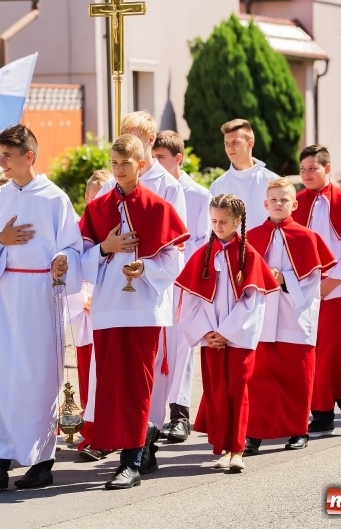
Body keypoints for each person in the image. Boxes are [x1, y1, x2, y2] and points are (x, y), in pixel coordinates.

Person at [0, 124, 83, 491]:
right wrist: (0, 239)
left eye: (7, 156)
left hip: (37, 297)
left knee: (34, 378)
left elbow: (73, 249)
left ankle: (41, 462)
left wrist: (62, 261)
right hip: (1, 298)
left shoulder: (55, 199)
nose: (1, 163)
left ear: (29, 156)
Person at [80, 134, 188, 489]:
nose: (118, 169)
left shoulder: (158, 207)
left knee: (137, 383)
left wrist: (147, 270)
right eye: (113, 163)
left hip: (143, 307)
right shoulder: (97, 208)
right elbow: (83, 259)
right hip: (108, 306)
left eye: (125, 164)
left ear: (141, 165)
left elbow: (174, 259)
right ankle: (147, 431)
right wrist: (105, 247)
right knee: (111, 384)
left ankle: (130, 463)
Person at [176, 194, 278, 472]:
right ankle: (222, 447)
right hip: (211, 339)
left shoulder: (249, 255)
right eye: (214, 221)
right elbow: (190, 301)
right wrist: (207, 333)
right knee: (217, 391)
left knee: (237, 390)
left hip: (238, 339)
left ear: (237, 221)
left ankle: (237, 449)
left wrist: (227, 332)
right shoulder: (202, 255)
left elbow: (253, 302)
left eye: (223, 222)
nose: (218, 226)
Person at [245, 178, 335, 453]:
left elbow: (311, 285)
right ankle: (255, 433)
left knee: (297, 377)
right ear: (265, 203)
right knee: (259, 378)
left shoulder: (308, 238)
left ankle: (298, 429)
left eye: (284, 199)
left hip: (293, 318)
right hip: (262, 318)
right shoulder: (252, 237)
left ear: (294, 204)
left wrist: (283, 278)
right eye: (273, 199)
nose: (278, 204)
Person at [292, 144, 341, 437]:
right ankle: (322, 413)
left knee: (339, 344)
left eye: (313, 168)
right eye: (302, 169)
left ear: (328, 168)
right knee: (313, 349)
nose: (307, 174)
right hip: (308, 288)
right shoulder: (296, 202)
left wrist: (334, 280)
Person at [151, 130, 211, 442]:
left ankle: (180, 413)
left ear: (178, 159)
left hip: (184, 283)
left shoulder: (199, 195)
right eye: (153, 157)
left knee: (181, 348)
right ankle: (152, 416)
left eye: (161, 158)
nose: (155, 164)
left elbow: (204, 244)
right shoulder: (152, 191)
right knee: (155, 350)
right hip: (153, 279)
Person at [71, 170, 111, 461]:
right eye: (93, 193)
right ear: (86, 197)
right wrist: (82, 299)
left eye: (102, 192)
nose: (96, 198)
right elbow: (73, 263)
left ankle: (107, 427)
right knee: (86, 369)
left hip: (109, 307)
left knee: (108, 372)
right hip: (83, 308)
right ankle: (88, 421)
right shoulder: (77, 227)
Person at [208, 119, 279, 229]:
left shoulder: (272, 181)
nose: (230, 148)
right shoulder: (217, 186)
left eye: (235, 142)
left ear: (250, 143)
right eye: (226, 143)